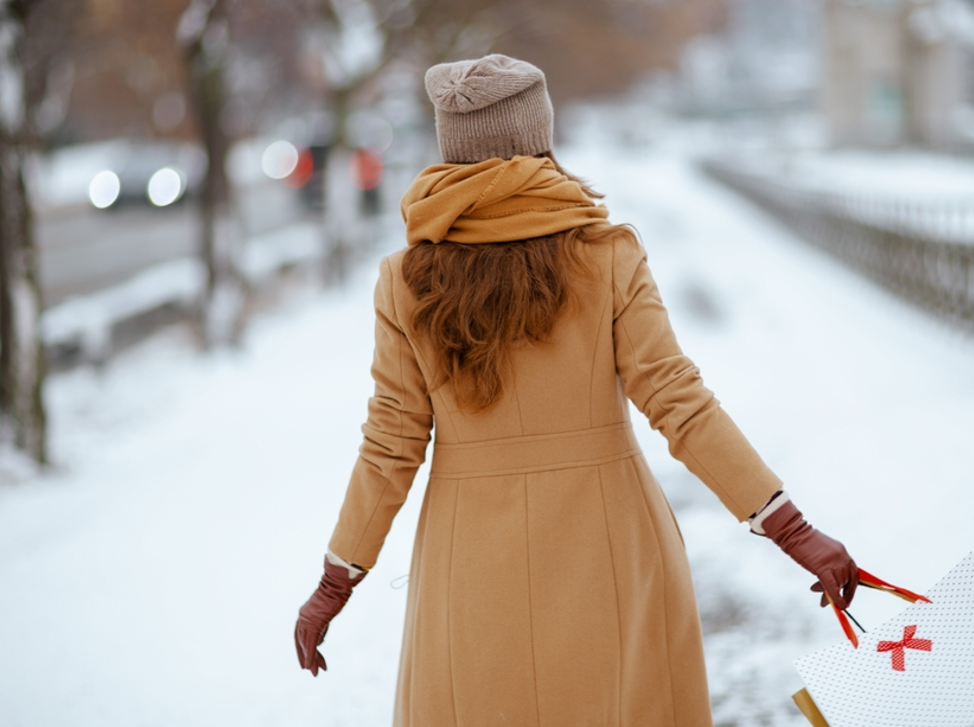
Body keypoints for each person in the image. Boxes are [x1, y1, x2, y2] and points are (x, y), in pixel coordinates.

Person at [295, 54, 858, 727]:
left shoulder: (405, 278)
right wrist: (791, 528)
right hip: (610, 549)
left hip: (471, 560)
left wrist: (336, 581)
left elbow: (390, 444)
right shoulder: (608, 254)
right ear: (539, 136)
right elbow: (680, 401)